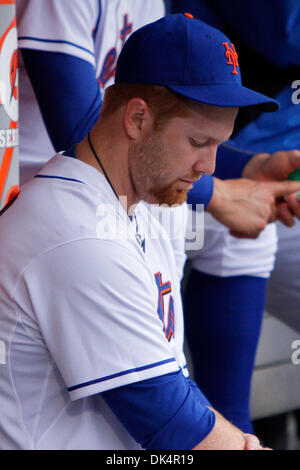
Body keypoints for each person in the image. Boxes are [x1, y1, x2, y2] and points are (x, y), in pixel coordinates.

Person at [1, 13, 295, 450]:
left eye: (218, 144)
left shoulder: (153, 205)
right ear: (137, 120)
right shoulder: (77, 233)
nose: (211, 168)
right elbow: (170, 422)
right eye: (198, 143)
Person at [172, 0, 300, 436]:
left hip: (250, 166)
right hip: (79, 196)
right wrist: (217, 190)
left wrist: (240, 175)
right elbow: (288, 30)